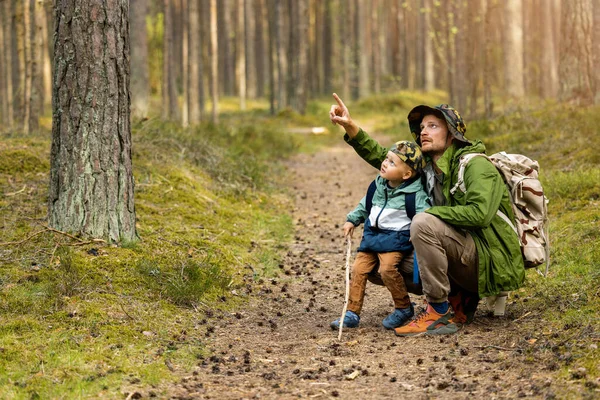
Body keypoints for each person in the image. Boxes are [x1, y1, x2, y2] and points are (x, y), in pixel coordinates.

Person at [329, 93, 525, 336]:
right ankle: (458, 296)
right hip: (462, 253)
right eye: (422, 127)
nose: (424, 132)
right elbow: (388, 161)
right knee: (382, 259)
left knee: (423, 222)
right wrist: (351, 127)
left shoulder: (477, 166)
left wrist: (430, 213)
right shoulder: (429, 167)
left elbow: (480, 214)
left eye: (433, 126)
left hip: (487, 260)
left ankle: (438, 311)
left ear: (452, 132)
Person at [331, 141, 430, 330]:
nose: (385, 163)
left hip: (395, 241)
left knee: (387, 270)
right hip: (371, 237)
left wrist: (418, 232)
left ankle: (403, 307)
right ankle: (352, 312)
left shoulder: (414, 194)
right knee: (358, 270)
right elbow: (365, 205)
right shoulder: (378, 186)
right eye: (386, 159)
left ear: (407, 174)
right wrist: (352, 220)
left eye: (392, 163)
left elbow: (425, 214)